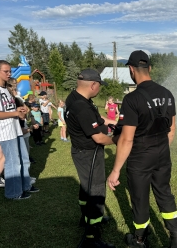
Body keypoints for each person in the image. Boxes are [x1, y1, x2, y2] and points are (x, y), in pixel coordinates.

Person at [107, 50, 177, 248]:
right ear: (149, 68)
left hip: (141, 155)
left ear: (132, 70)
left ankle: (140, 240)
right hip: (162, 151)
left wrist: (115, 172)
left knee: (140, 199)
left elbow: (126, 139)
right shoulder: (168, 94)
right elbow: (172, 128)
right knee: (164, 193)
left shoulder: (132, 99)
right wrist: (161, 151)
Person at [65, 69, 117, 248]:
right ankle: (91, 238)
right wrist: (118, 139)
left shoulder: (75, 98)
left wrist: (112, 123)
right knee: (96, 191)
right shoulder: (82, 107)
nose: (100, 89)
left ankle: (84, 217)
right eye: (100, 86)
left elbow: (96, 118)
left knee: (86, 187)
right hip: (90, 154)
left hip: (80, 151)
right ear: (93, 85)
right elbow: (99, 138)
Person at [0, 60, 39, 200]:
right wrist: (16, 113)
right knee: (12, 163)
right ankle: (13, 192)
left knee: (24, 159)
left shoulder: (5, 89)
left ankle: (26, 185)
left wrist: (18, 109)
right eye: (6, 71)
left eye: (10, 71)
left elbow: (7, 109)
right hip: (4, 131)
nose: (9, 74)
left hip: (14, 129)